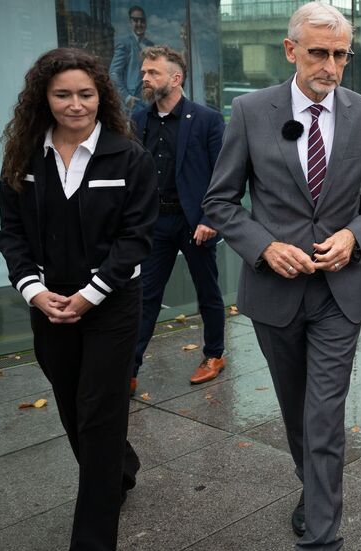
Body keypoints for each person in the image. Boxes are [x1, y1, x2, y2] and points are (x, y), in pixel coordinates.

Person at [201, 3, 361, 548]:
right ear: (291, 51)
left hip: (338, 293)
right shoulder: (250, 111)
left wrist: (355, 236)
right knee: (296, 412)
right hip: (274, 293)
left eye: (340, 55)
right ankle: (314, 488)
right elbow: (219, 202)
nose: (330, 66)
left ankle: (322, 537)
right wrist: (264, 247)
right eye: (318, 53)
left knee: (325, 415)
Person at [0, 47, 158, 550]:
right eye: (62, 94)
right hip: (48, 305)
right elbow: (12, 234)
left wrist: (90, 295)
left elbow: (135, 238)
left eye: (85, 94)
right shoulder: (23, 159)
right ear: (43, 98)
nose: (75, 104)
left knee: (99, 412)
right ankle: (119, 468)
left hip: (112, 305)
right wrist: (34, 291)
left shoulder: (129, 157)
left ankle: (92, 538)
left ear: (100, 96)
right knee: (71, 405)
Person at [130, 45, 227, 393]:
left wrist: (210, 218)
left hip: (195, 222)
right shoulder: (139, 120)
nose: (145, 77)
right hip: (155, 222)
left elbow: (224, 174)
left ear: (175, 78)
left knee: (207, 292)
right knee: (145, 296)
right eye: (144, 72)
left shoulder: (206, 119)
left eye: (152, 72)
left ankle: (214, 354)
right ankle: (129, 369)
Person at [110, 5, 154, 114]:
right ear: (130, 22)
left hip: (149, 101)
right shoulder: (124, 43)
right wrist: (126, 97)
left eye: (142, 20)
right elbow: (114, 73)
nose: (139, 23)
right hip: (133, 103)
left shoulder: (150, 45)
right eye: (136, 20)